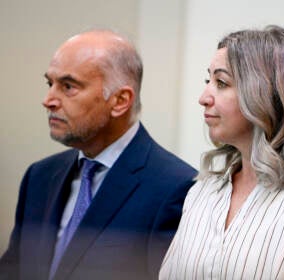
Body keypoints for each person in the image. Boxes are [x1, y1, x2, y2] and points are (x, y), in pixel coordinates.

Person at [159, 25, 284, 279]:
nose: (204, 97)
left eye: (221, 82)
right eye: (207, 80)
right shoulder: (202, 192)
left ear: (269, 95)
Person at [0, 29, 196, 280]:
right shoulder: (39, 176)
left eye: (68, 86)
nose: (48, 100)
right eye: (50, 84)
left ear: (120, 100)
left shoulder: (175, 188)